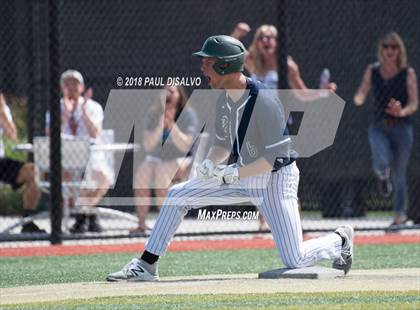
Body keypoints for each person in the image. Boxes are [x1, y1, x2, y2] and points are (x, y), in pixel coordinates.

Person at [107, 35, 354, 282]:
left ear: (225, 65)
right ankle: (146, 265)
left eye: (207, 62)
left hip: (275, 180)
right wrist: (210, 163)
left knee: (295, 259)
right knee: (177, 195)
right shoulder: (225, 97)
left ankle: (340, 239)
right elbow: (222, 144)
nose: (202, 67)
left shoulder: (264, 101)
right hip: (242, 173)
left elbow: (274, 158)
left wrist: (237, 172)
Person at [232, 23, 338, 229]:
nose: (266, 40)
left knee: (283, 172)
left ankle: (292, 219)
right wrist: (237, 34)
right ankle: (264, 220)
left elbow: (301, 93)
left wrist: (323, 92)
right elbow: (230, 55)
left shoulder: (287, 65)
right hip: (255, 123)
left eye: (270, 37)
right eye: (262, 37)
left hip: (279, 124)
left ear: (277, 42)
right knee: (256, 172)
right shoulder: (253, 63)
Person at [354, 32, 418, 227]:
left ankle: (399, 216)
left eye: (394, 47)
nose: (390, 50)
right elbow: (361, 94)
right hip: (379, 126)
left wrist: (401, 111)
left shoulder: (407, 72)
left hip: (402, 128)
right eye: (386, 47)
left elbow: (414, 103)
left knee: (400, 173)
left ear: (400, 50)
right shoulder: (373, 70)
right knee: (381, 161)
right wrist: (358, 99)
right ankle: (382, 176)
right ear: (381, 50)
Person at [46, 70, 112, 233]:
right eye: (67, 83)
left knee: (104, 178)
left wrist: (83, 112)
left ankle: (82, 216)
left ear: (82, 87)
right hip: (64, 156)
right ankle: (88, 216)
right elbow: (50, 135)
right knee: (69, 176)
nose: (72, 87)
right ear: (62, 87)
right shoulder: (56, 108)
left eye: (75, 83)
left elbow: (95, 133)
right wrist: (66, 113)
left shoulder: (93, 107)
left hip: (91, 156)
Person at [131, 85, 198, 234]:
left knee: (162, 172)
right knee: (142, 172)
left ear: (179, 95)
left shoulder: (187, 114)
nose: (168, 94)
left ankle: (165, 224)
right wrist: (161, 123)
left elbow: (185, 145)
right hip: (157, 159)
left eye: (172, 91)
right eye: (165, 91)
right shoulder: (154, 115)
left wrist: (172, 125)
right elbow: (148, 145)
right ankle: (141, 224)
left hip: (182, 160)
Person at [0, 92, 42, 233]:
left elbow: (12, 135)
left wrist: (2, 112)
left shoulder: (2, 108)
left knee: (34, 172)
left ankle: (27, 221)